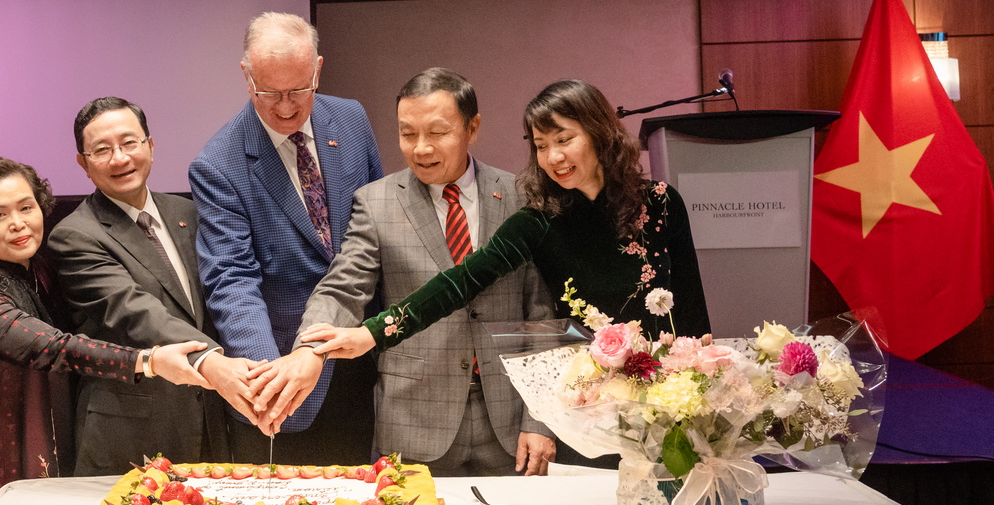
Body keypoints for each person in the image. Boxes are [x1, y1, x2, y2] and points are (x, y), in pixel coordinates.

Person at [301, 78, 710, 377]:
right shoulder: (540, 220)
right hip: (587, 395)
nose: (553, 157)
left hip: (667, 386)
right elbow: (459, 283)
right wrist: (373, 334)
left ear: (599, 133)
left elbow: (690, 304)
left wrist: (700, 378)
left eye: (564, 139)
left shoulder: (661, 202)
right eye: (540, 145)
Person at [299, 68, 560, 476]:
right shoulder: (377, 203)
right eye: (407, 134)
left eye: (437, 132)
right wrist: (308, 347)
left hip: (509, 421)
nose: (421, 148)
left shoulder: (520, 195)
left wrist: (540, 416)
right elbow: (343, 286)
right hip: (414, 419)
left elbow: (541, 314)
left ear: (473, 127)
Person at [0, 156, 209, 495]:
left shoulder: (39, 270)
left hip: (47, 428)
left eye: (26, 208)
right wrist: (150, 361)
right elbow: (56, 348)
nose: (18, 223)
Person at [189, 12, 383, 464]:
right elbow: (232, 280)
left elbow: (378, 228)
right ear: (247, 76)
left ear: (318, 69)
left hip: (359, 357)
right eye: (269, 93)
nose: (285, 108)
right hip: (282, 375)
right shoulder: (218, 164)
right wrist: (271, 382)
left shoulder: (351, 119)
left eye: (298, 90)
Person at [47, 97, 258, 475]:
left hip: (208, 423)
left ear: (151, 146)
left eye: (130, 143)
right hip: (130, 433)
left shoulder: (188, 212)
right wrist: (212, 361)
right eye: (102, 150)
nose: (120, 158)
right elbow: (135, 311)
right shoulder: (75, 235)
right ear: (83, 163)